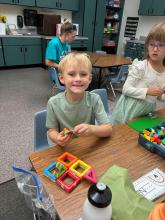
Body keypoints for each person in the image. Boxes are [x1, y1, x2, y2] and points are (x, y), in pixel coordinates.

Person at [46, 52, 112, 146]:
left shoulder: (94, 99)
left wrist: (92, 129)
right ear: (61, 78)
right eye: (72, 74)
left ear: (89, 78)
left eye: (83, 74)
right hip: (65, 148)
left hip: (87, 146)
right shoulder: (53, 103)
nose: (78, 79)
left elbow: (108, 129)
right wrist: (57, 138)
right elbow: (51, 131)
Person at [112, 22, 165, 124]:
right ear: (147, 46)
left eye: (161, 45)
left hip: (146, 111)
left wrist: (162, 94)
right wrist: (147, 91)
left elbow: (158, 97)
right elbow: (126, 89)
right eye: (152, 44)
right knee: (122, 135)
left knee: (137, 135)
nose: (155, 49)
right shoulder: (141, 66)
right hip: (130, 109)